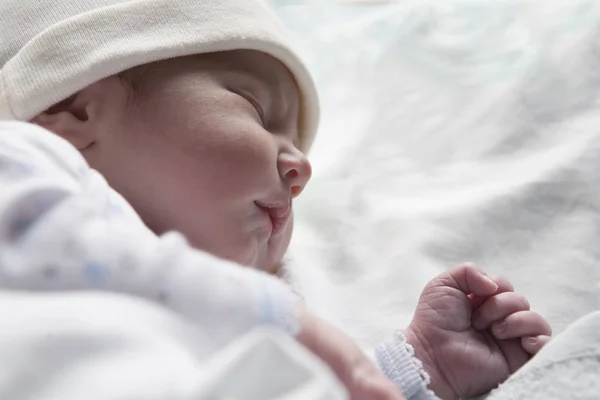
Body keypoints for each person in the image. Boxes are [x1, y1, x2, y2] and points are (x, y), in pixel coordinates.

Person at [0, 1, 553, 399]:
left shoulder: (215, 331)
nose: (301, 169)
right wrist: (288, 322)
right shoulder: (22, 161)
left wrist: (414, 368)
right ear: (73, 111)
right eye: (256, 110)